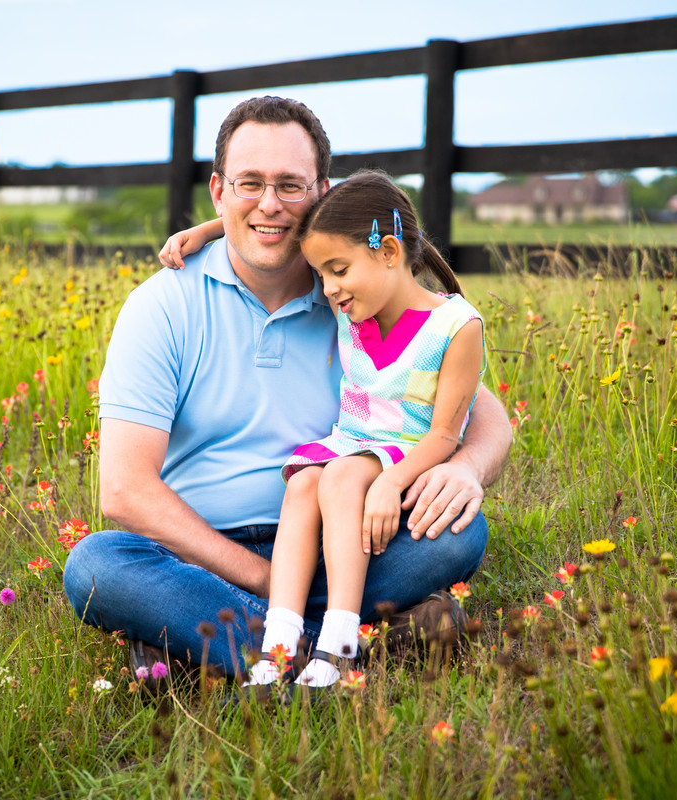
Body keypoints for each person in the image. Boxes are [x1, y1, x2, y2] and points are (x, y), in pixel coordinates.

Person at [62, 96, 511, 678]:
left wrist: (466, 469)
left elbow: (483, 412)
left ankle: (215, 644)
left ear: (322, 192)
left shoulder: (353, 291)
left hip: (341, 545)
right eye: (250, 184)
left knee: (456, 535)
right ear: (219, 191)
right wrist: (270, 580)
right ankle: (341, 642)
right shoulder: (162, 305)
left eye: (290, 186)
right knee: (96, 566)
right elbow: (123, 490)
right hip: (202, 557)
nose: (269, 204)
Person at [166, 170, 486, 689]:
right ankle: (279, 645)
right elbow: (274, 232)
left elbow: (446, 437)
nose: (329, 287)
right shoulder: (354, 303)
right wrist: (206, 232)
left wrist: (388, 482)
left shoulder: (457, 328)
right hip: (350, 445)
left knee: (428, 522)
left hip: (406, 458)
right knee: (304, 482)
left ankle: (337, 646)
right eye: (323, 273)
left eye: (337, 271)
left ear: (388, 252)